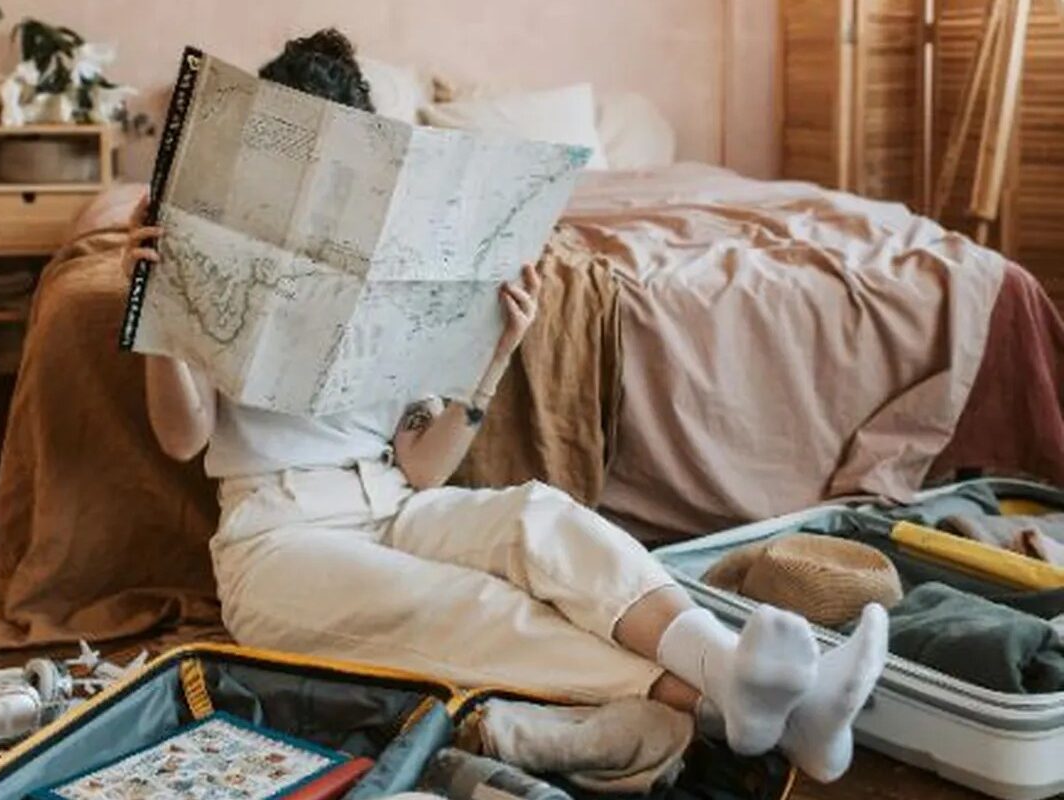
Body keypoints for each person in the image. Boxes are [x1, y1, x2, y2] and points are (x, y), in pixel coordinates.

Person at [122, 28, 889, 784]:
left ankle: (751, 680)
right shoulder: (214, 243)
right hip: (278, 539)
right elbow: (182, 439)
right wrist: (155, 310)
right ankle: (748, 712)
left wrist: (494, 354)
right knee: (471, 606)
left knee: (540, 518)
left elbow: (422, 470)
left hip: (394, 505)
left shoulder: (397, 253)